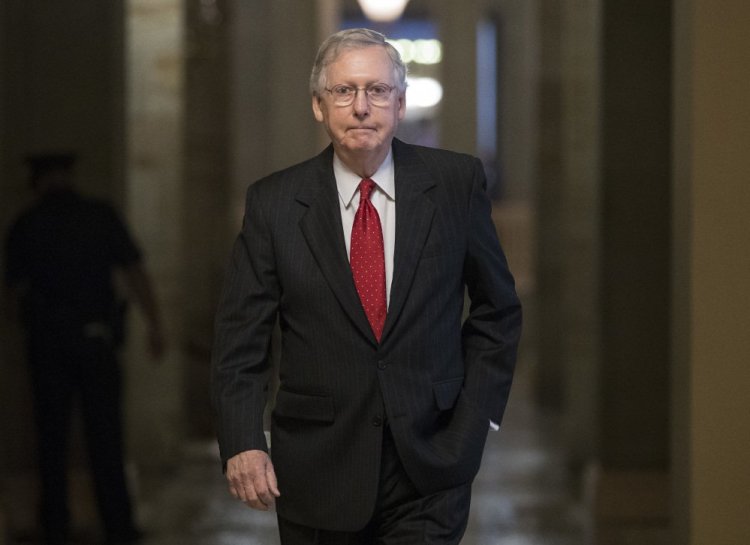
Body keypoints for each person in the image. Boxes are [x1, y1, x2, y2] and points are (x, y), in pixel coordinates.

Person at [211, 28, 522, 544]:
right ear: (318, 105)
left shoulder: (454, 185)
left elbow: (498, 310)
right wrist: (244, 439)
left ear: (400, 105)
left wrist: (477, 420)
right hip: (316, 469)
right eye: (344, 91)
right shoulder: (274, 204)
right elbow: (240, 337)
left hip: (432, 462)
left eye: (377, 91)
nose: (361, 106)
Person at [3, 153, 165, 545]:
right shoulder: (99, 215)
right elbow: (134, 270)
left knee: (51, 437)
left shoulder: (27, 223)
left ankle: (54, 524)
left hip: (48, 346)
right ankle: (118, 525)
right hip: (97, 340)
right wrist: (155, 324)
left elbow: (12, 292)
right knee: (106, 436)